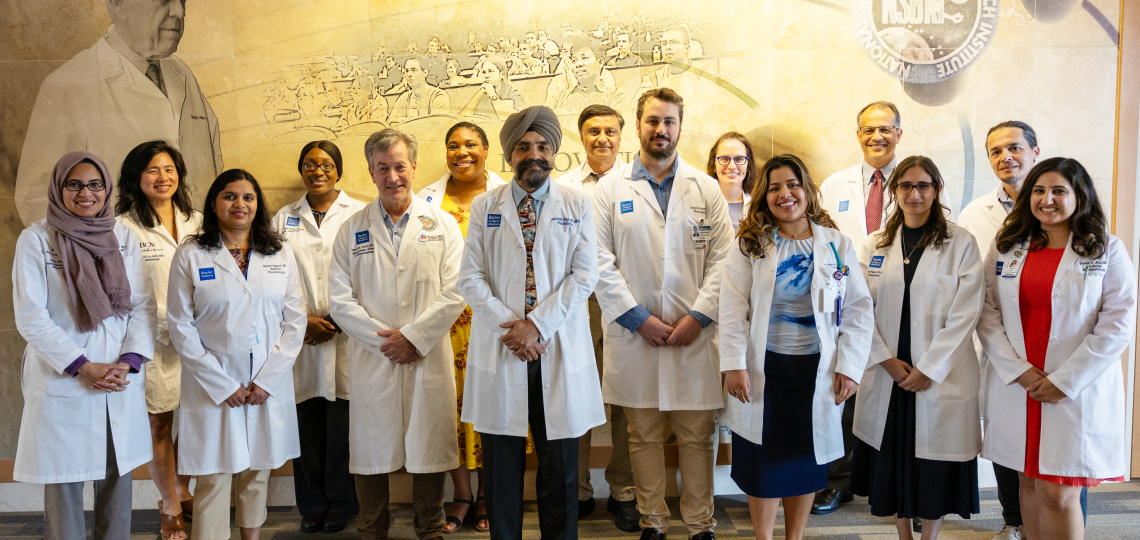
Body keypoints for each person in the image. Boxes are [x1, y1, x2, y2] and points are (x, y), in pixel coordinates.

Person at [457, 105, 605, 540]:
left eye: (542, 146)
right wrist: (514, 328)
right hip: (504, 346)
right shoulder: (486, 206)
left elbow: (585, 275)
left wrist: (537, 325)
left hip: (554, 344)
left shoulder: (577, 204)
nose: (533, 154)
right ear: (509, 155)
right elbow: (470, 277)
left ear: (554, 152)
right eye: (523, 147)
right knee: (501, 468)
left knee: (559, 468)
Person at [592, 88, 733, 540]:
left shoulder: (705, 188)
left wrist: (698, 317)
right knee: (643, 437)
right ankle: (653, 521)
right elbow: (596, 261)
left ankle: (699, 525)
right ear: (638, 125)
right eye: (653, 121)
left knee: (697, 437)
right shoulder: (610, 189)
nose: (661, 130)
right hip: (635, 337)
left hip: (694, 336)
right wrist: (638, 318)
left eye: (669, 121)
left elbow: (724, 262)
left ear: (679, 126)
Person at [977, 158, 1135, 540]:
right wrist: (1019, 370)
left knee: (1058, 492)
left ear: (1080, 196)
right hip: (1021, 385)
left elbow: (1118, 323)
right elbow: (986, 311)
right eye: (1039, 190)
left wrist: (1065, 380)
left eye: (1059, 190)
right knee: (1028, 484)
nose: (1047, 199)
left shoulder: (1106, 250)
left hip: (1073, 390)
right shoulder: (1007, 248)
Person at [719, 154, 873, 540]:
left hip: (816, 370)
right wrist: (734, 363)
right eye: (774, 188)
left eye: (792, 185)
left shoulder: (836, 244)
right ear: (763, 196)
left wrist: (851, 366)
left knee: (805, 460)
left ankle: (795, 537)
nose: (784, 194)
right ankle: (764, 537)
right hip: (763, 368)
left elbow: (857, 309)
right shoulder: (751, 243)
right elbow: (732, 307)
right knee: (763, 460)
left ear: (806, 190)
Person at [329, 129, 467, 540]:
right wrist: (387, 342)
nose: (393, 177)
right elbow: (340, 300)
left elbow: (456, 289)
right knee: (371, 449)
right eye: (383, 168)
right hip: (375, 358)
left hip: (426, 354)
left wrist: (414, 338)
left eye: (400, 167)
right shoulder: (351, 229)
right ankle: (372, 530)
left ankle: (430, 529)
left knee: (430, 444)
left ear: (414, 168)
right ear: (371, 171)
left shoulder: (442, 225)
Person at [13, 152, 156, 540]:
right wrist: (82, 366)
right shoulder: (37, 239)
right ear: (59, 189)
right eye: (74, 184)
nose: (85, 193)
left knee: (117, 481)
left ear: (106, 189)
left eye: (94, 184)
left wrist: (126, 362)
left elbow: (142, 304)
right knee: (64, 484)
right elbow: (31, 316)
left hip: (117, 379)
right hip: (67, 380)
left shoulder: (122, 236)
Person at [167, 169, 306, 540]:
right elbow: (180, 325)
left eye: (248, 197)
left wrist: (267, 380)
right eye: (230, 196)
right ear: (214, 203)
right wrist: (221, 383)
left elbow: (294, 323)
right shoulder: (192, 254)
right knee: (213, 476)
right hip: (214, 385)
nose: (239, 204)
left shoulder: (280, 253)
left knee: (257, 473)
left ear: (257, 205)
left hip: (264, 382)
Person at [850, 156, 983, 540]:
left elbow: (967, 311)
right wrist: (884, 360)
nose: (914, 193)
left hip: (938, 374)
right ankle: (904, 535)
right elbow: (858, 308)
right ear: (894, 192)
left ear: (937, 190)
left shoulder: (961, 243)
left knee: (933, 465)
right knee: (893, 458)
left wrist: (930, 368)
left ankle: (930, 536)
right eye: (906, 186)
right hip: (890, 373)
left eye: (923, 185)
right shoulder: (876, 243)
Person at [815, 101, 935, 515]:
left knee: (899, 397)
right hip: (843, 305)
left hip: (900, 308)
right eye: (868, 129)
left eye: (885, 129)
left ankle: (901, 486)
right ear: (858, 134)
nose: (876, 137)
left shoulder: (920, 180)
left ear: (899, 133)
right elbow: (822, 243)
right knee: (843, 392)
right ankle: (838, 482)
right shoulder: (834, 185)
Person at [15, 0, 223, 226]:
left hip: (194, 253)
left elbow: (212, 168)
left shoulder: (181, 73)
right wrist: (98, 255)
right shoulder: (67, 86)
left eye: (182, 0)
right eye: (164, 0)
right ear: (117, 4)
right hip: (117, 258)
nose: (180, 11)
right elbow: (37, 201)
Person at [417, 122, 510, 534]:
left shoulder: (507, 196)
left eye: (471, 144)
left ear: (487, 150)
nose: (461, 152)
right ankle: (462, 494)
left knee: (493, 405)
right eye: (453, 145)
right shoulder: (426, 202)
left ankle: (489, 492)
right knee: (449, 408)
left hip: (493, 321)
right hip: (446, 324)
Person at [270, 141, 367, 534]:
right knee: (306, 426)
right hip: (301, 336)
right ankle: (311, 507)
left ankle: (343, 506)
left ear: (338, 171)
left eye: (326, 164)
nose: (318, 171)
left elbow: (368, 276)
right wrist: (303, 321)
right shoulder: (283, 219)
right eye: (309, 164)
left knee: (344, 427)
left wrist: (340, 320)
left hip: (348, 336)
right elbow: (271, 277)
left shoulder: (360, 212)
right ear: (301, 170)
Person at [555, 105, 639, 532]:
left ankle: (624, 490)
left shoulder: (637, 182)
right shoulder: (564, 187)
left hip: (628, 304)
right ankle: (578, 490)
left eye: (610, 130)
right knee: (577, 393)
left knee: (627, 398)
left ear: (622, 136)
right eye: (593, 131)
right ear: (581, 137)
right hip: (580, 305)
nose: (602, 138)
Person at [115, 141, 202, 540]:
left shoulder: (199, 221)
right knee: (159, 421)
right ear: (136, 176)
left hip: (202, 337)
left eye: (169, 169)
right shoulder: (123, 227)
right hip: (153, 339)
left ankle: (184, 486)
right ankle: (169, 502)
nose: (162, 177)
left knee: (199, 416)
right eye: (152, 170)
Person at [545, 32, 628, 115]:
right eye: (574, 60)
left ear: (600, 62)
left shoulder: (616, 95)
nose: (578, 64)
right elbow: (540, 123)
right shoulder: (559, 97)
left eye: (584, 58)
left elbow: (620, 127)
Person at [705, 132, 758, 233]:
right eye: (724, 159)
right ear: (714, 165)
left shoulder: (758, 207)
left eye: (739, 159)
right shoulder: (698, 205)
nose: (732, 166)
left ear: (748, 166)